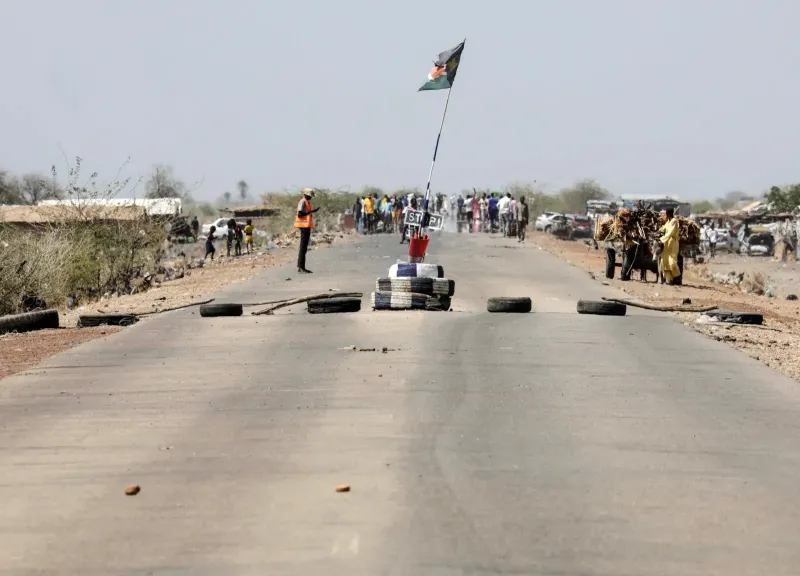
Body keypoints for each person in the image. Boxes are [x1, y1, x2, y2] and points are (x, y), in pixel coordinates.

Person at [295, 188, 319, 273]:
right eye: (309, 196)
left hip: (306, 226)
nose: (310, 198)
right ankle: (301, 267)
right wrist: (311, 211)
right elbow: (300, 214)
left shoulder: (306, 202)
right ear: (305, 195)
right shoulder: (303, 202)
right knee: (303, 247)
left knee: (304, 247)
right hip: (303, 226)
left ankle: (301, 267)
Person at [658, 207, 681, 285]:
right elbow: (663, 229)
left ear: (668, 214)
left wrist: (661, 239)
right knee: (665, 262)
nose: (664, 215)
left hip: (672, 244)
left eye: (665, 214)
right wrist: (658, 232)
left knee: (671, 262)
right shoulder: (667, 222)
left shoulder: (674, 221)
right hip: (666, 244)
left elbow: (670, 232)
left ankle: (677, 276)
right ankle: (669, 280)